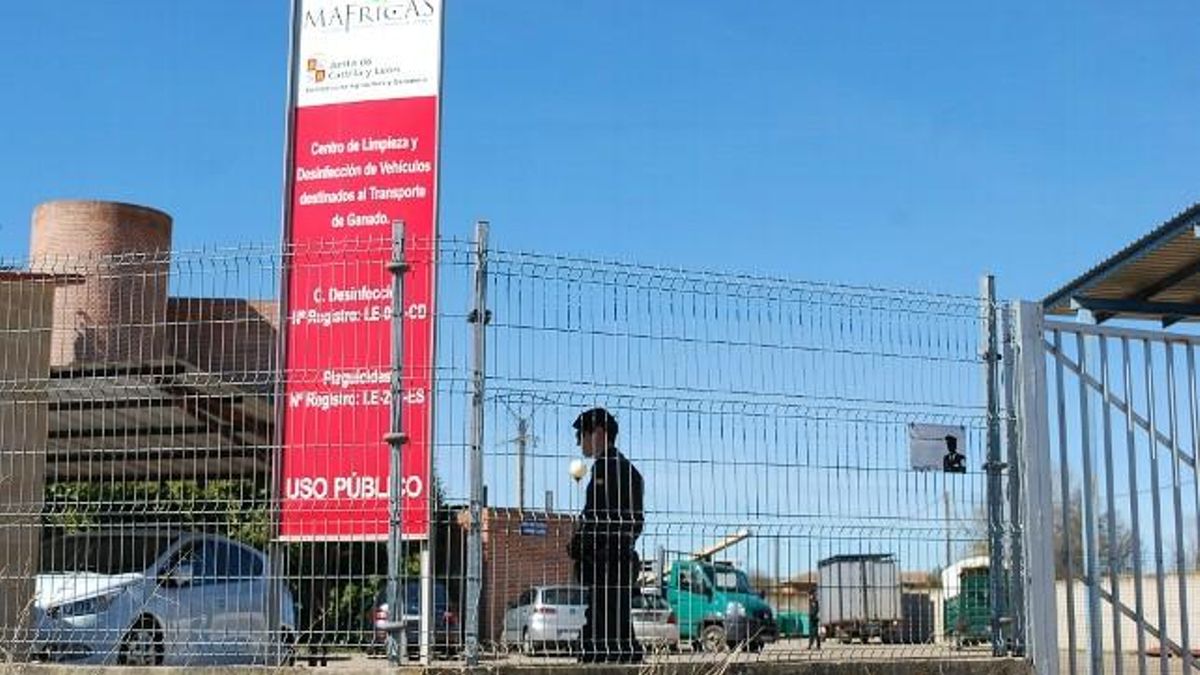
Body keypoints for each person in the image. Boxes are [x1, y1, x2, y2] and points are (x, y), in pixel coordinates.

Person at [566, 407, 645, 663]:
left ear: (598, 433)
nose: (580, 443)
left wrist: (578, 546)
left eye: (582, 435)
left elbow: (597, 520)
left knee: (601, 634)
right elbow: (635, 522)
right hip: (622, 561)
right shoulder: (631, 471)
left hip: (604, 563)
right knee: (618, 627)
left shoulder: (605, 470)